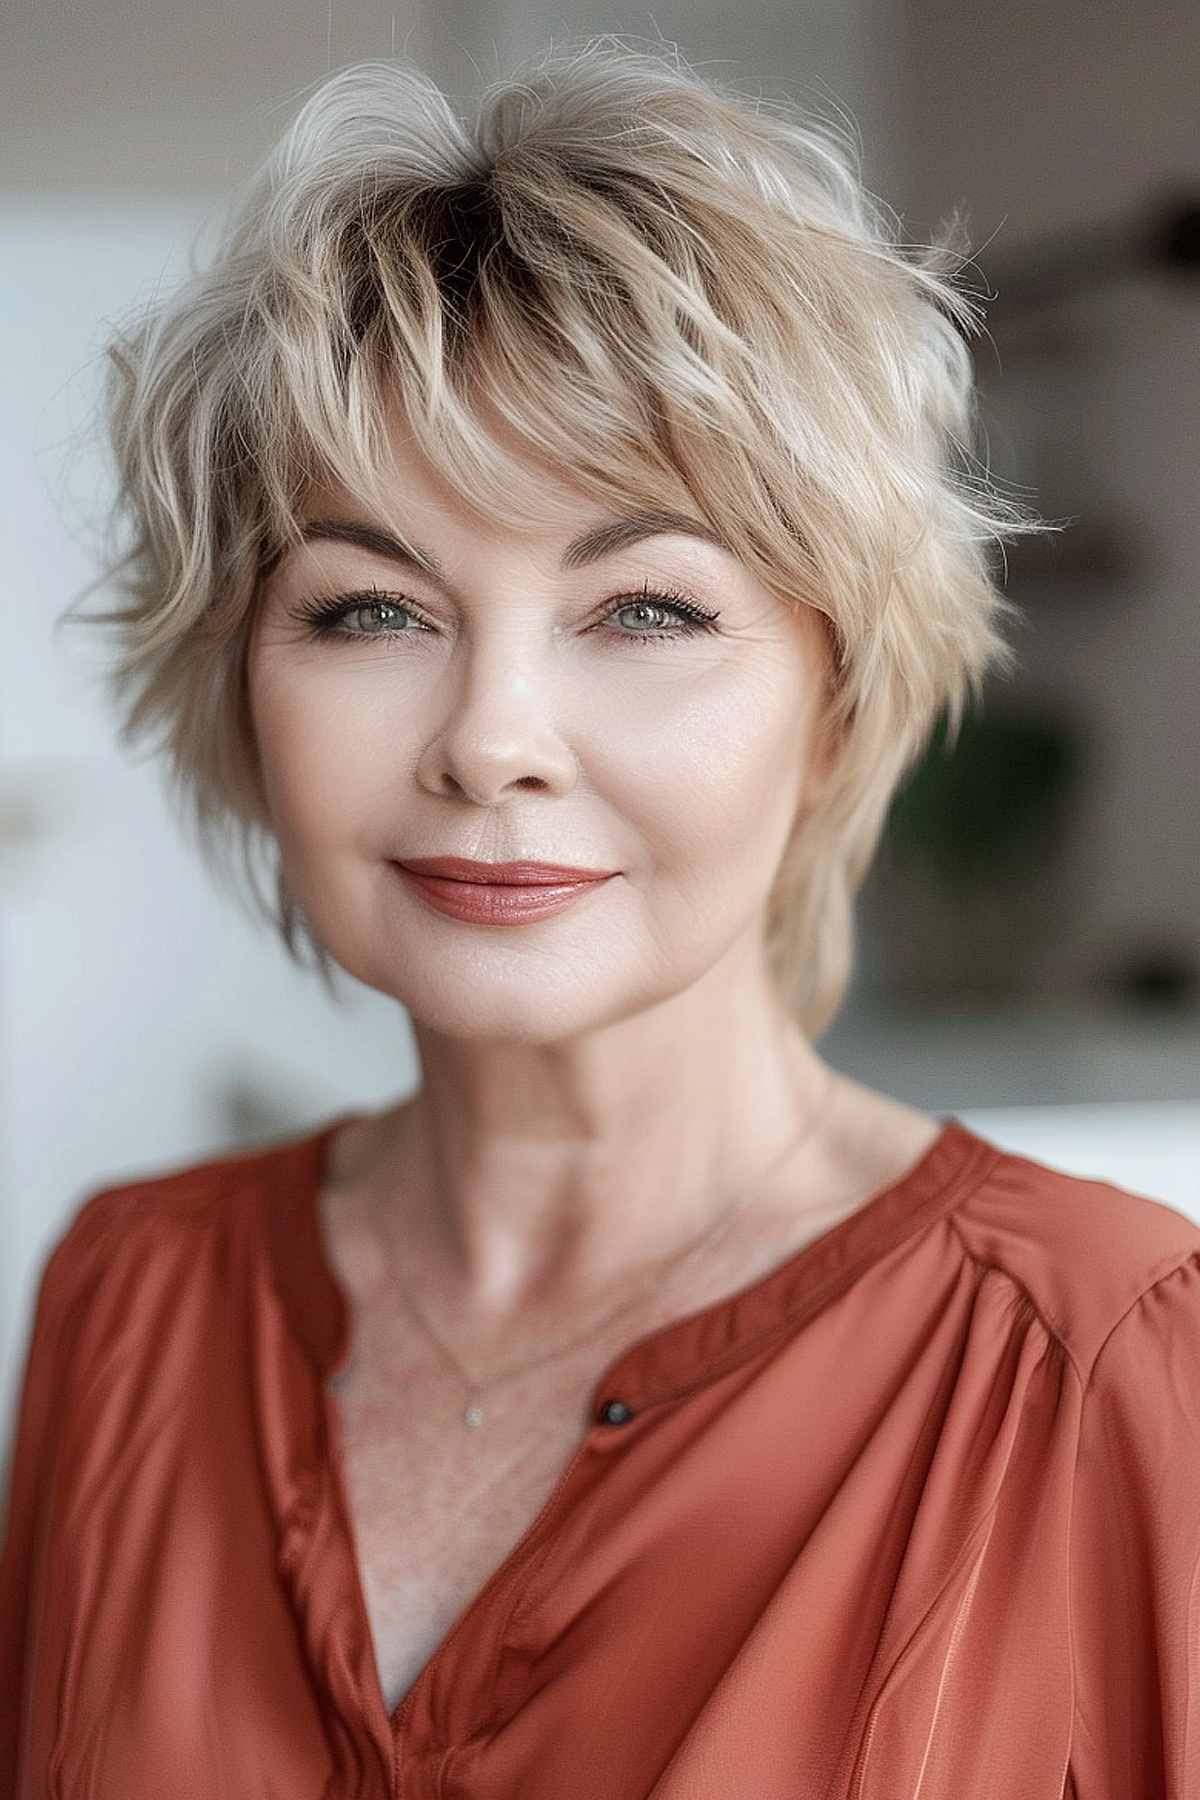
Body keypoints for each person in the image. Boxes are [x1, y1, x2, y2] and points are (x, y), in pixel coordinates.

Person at [2, 38, 1197, 1800]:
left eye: (644, 608)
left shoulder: (1105, 1359)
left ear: (839, 703)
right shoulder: (132, 1291)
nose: (492, 739)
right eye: (367, 612)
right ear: (240, 690)